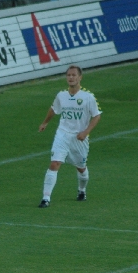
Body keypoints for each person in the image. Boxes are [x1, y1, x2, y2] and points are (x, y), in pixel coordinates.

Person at [37, 65, 101, 208]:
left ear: (80, 77)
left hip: (79, 138)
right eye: (68, 75)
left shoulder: (88, 97)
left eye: (73, 75)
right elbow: (54, 109)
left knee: (81, 168)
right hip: (62, 135)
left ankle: (82, 190)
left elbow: (97, 116)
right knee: (54, 163)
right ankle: (45, 198)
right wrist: (45, 122)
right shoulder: (61, 95)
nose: (71, 78)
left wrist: (86, 132)